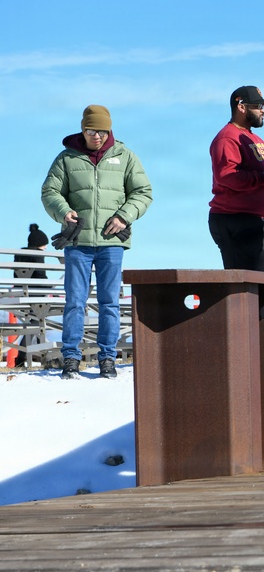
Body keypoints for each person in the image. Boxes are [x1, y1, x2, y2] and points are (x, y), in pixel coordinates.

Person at [41, 105, 153, 379]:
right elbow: (49, 191)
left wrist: (125, 217)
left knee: (109, 302)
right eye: (92, 131)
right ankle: (70, 357)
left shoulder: (125, 156)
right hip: (77, 242)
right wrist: (63, 211)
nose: (97, 137)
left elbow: (143, 192)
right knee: (75, 301)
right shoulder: (67, 158)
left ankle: (107, 358)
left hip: (112, 242)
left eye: (102, 131)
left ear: (109, 130)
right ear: (83, 129)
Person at [208, 86, 264, 272]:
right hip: (235, 219)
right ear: (241, 107)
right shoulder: (227, 138)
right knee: (246, 290)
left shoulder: (256, 139)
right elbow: (228, 176)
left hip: (256, 220)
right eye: (257, 105)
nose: (262, 110)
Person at [12, 224, 49, 367]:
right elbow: (41, 277)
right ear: (39, 244)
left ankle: (23, 357)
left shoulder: (20, 255)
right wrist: (50, 288)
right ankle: (37, 355)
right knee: (38, 323)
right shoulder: (37, 255)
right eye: (44, 244)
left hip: (21, 295)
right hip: (36, 296)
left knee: (35, 324)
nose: (45, 247)